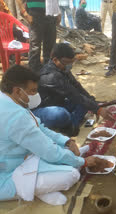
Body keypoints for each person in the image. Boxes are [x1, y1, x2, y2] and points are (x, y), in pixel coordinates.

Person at [0, 65, 98, 204]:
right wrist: (83, 162)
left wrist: (66, 141)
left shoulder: (10, 101)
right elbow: (49, 151)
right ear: (17, 91)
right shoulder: (15, 116)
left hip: (19, 157)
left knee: (62, 152)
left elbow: (39, 128)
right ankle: (33, 188)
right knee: (71, 175)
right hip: (6, 171)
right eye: (32, 91)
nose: (35, 95)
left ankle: (41, 184)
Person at [33, 43, 113, 136]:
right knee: (61, 114)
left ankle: (69, 123)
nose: (69, 66)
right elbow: (73, 94)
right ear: (55, 60)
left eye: (71, 62)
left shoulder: (62, 68)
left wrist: (95, 104)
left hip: (60, 103)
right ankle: (70, 126)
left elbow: (77, 87)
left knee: (86, 101)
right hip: (44, 110)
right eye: (67, 63)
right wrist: (97, 109)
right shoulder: (50, 76)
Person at [16, 0, 61, 73]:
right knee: (35, 47)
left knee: (50, 45)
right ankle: (34, 74)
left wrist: (58, 13)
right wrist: (24, 13)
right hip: (35, 13)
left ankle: (48, 74)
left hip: (51, 14)